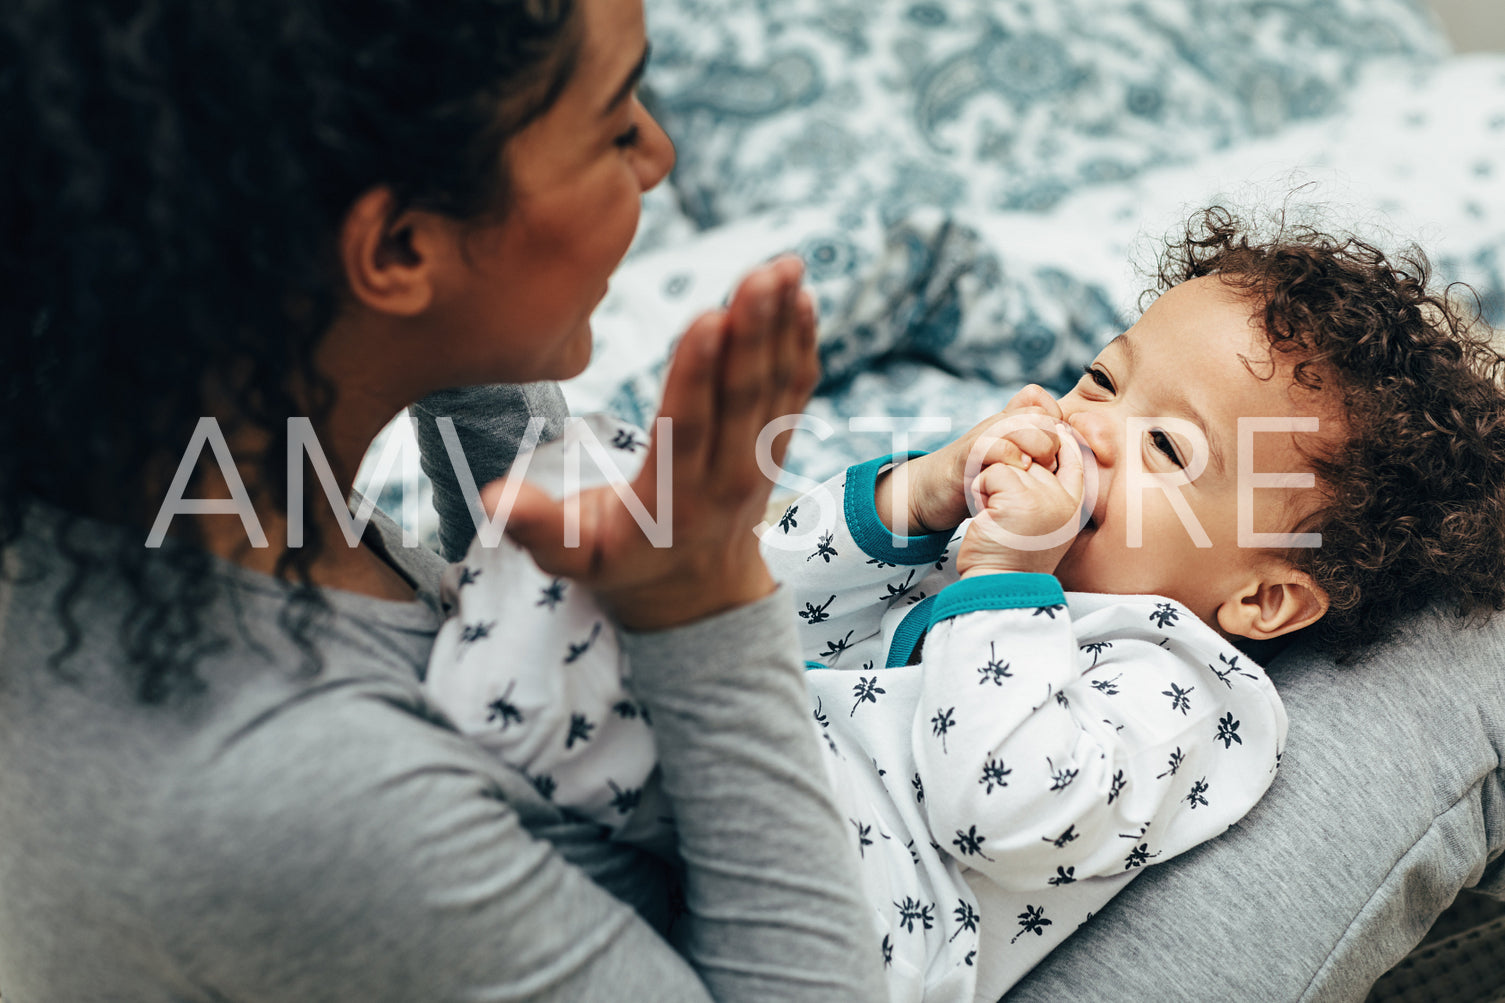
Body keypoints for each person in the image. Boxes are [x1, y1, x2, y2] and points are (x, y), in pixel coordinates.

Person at [0, 1, 891, 1001]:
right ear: (398, 251)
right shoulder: (295, 790)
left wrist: (470, 348)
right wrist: (705, 597)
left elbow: (492, 646)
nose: (660, 154)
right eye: (613, 123)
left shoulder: (161, 460)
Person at [423, 207, 1505, 1001]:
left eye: (1165, 447)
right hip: (709, 807)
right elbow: (760, 596)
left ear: (1262, 597)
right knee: (620, 515)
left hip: (839, 930)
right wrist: (912, 496)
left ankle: (481, 665)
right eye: (1100, 377)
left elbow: (1011, 805)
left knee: (580, 568)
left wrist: (1000, 578)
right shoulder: (976, 551)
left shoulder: (1186, 687)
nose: (1093, 429)